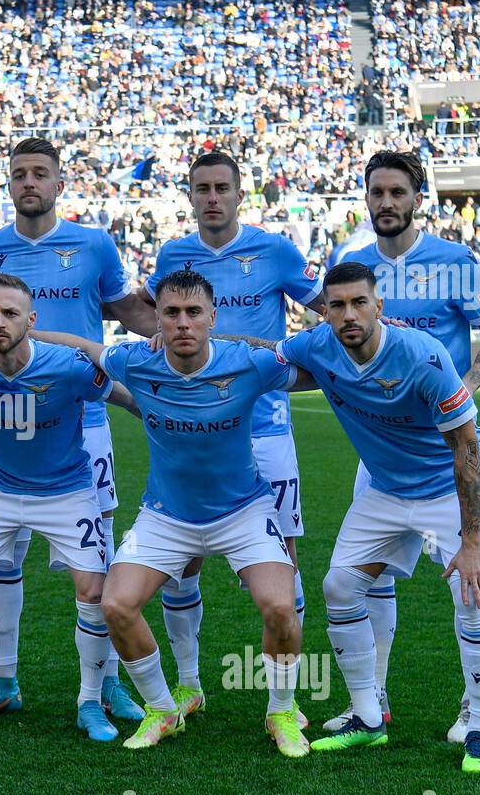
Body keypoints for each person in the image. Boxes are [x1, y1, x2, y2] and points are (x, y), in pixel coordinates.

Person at [35, 270, 314, 757]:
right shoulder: (137, 361)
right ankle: (164, 709)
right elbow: (80, 344)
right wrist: (20, 331)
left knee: (281, 607)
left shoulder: (247, 363)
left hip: (242, 512)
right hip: (165, 516)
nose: (182, 323)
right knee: (116, 605)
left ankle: (282, 711)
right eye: (171, 313)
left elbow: (317, 369)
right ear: (157, 321)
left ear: (212, 318)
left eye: (192, 313)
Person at [275, 262, 480, 773]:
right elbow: (256, 349)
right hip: (384, 490)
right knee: (339, 587)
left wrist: (469, 542)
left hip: (449, 487)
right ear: (324, 311)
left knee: (473, 594)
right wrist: (183, 334)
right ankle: (367, 717)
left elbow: (465, 447)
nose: (349, 314)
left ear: (380, 306)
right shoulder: (316, 346)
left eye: (360, 303)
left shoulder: (422, 354)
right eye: (337, 305)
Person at [0, 137, 159, 722]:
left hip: (85, 415)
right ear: (8, 183)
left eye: (39, 174)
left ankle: (102, 688)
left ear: (58, 183)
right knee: (1, 555)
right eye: (19, 173)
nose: (29, 182)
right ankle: (2, 680)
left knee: (94, 563)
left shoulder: (95, 244)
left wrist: (181, 341)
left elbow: (125, 310)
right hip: (7, 411)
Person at [131, 150, 323, 721]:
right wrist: (158, 356)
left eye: (222, 187)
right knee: (181, 561)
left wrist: (294, 357)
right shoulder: (173, 255)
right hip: (194, 429)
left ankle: (284, 701)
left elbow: (323, 312)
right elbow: (147, 313)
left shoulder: (277, 250)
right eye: (202, 188)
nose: (212, 197)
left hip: (266, 428)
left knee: (282, 562)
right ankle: (189, 685)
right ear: (189, 196)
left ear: (242, 194)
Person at [330, 150, 480, 742]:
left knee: (470, 586)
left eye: (397, 192)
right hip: (381, 461)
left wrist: (461, 392)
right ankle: (372, 700)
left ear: (416, 198)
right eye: (376, 192)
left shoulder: (456, 262)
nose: (386, 203)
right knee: (363, 582)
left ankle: (474, 712)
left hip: (449, 451)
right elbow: (329, 343)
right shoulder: (351, 266)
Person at [0, 272, 139, 742]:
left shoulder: (69, 366)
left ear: (31, 320)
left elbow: (124, 399)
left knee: (93, 592)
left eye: (9, 313)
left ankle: (89, 701)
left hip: (67, 491)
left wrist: (174, 420)